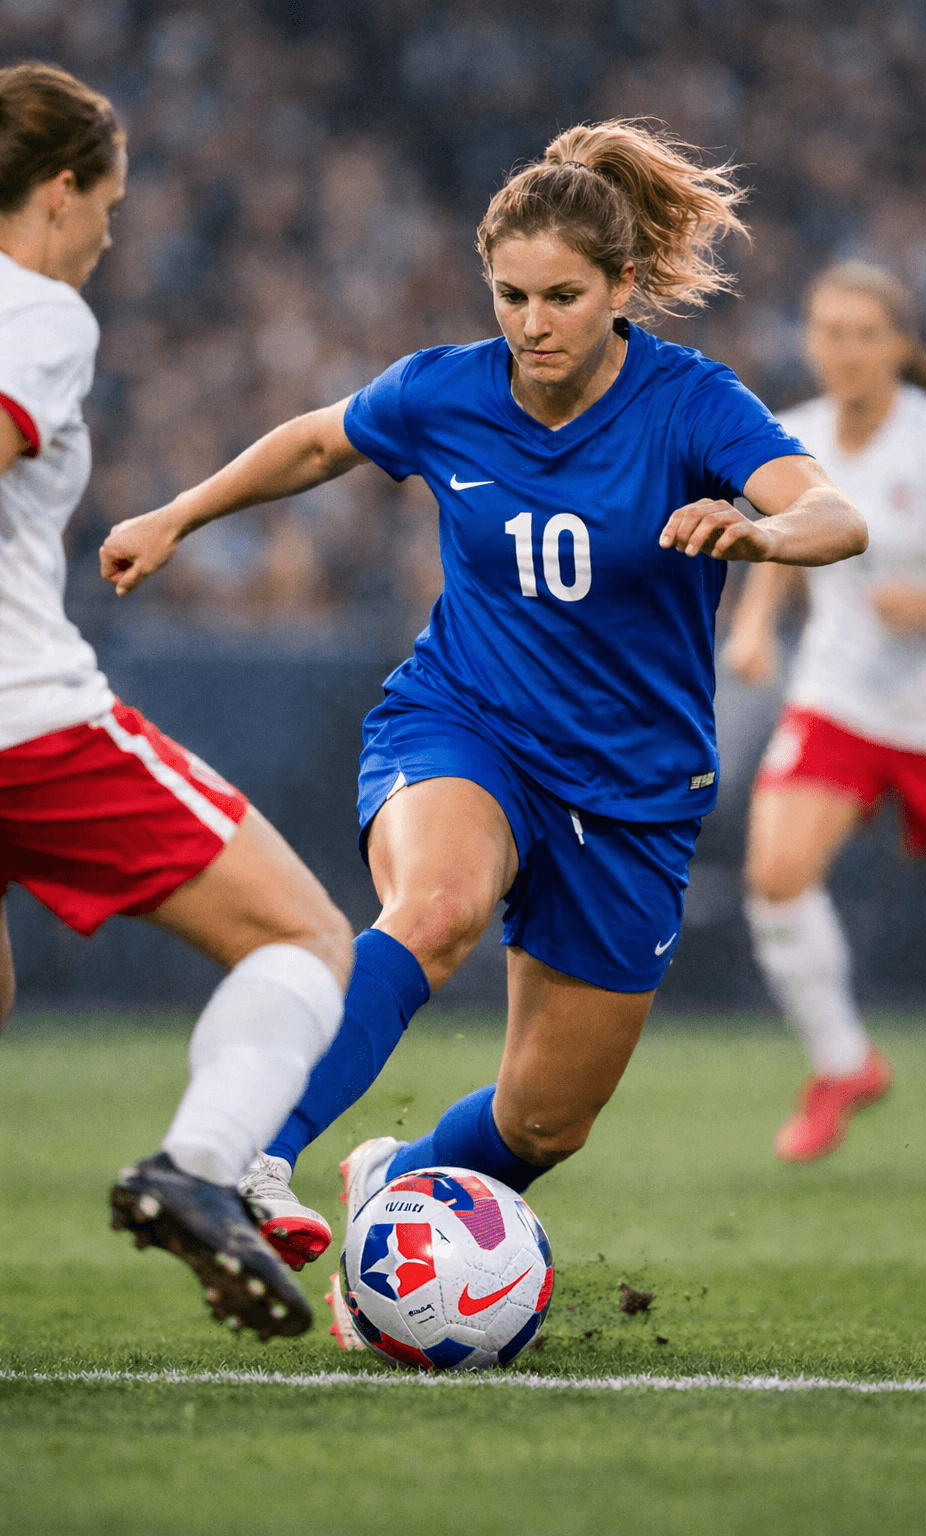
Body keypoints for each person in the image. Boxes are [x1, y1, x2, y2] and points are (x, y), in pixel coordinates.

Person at [101, 119, 867, 1266]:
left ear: (619, 289)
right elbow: (317, 445)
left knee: (545, 1120)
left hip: (631, 789)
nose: (530, 322)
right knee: (437, 907)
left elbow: (837, 514)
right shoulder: (444, 393)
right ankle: (245, 1160)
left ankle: (394, 1186)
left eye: (560, 295)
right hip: (466, 722)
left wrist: (761, 535)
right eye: (509, 294)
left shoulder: (690, 405)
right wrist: (177, 513)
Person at [0, 62, 355, 1337]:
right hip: (25, 724)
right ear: (59, 190)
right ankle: (200, 1170)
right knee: (308, 940)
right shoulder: (37, 310)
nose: (110, 228)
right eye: (109, 200)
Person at [726, 261, 926, 1178]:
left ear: (896, 345)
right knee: (776, 875)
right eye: (828, 332)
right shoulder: (801, 435)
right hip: (842, 695)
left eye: (864, 333)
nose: (845, 350)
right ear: (809, 342)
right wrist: (754, 625)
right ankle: (844, 1067)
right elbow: (786, 535)